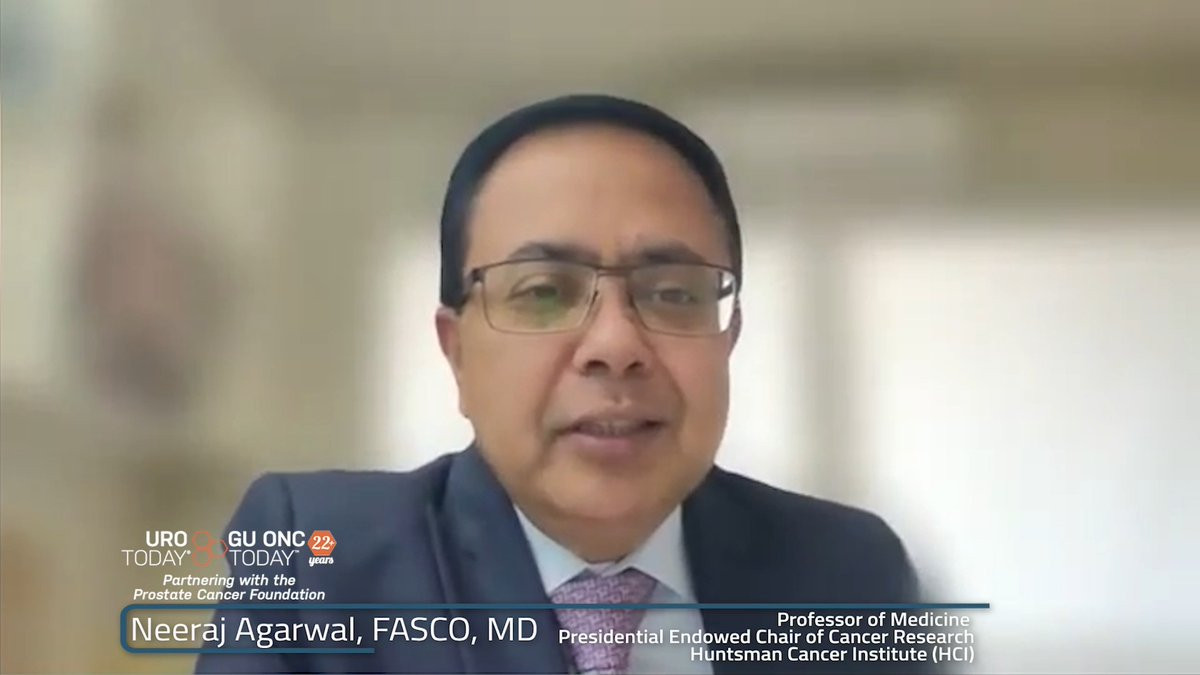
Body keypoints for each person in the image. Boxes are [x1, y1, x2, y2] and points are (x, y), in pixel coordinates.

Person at [195, 94, 919, 675]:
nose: (615, 347)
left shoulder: (848, 571)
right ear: (457, 354)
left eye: (673, 293)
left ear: (727, 339)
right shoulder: (313, 557)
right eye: (543, 292)